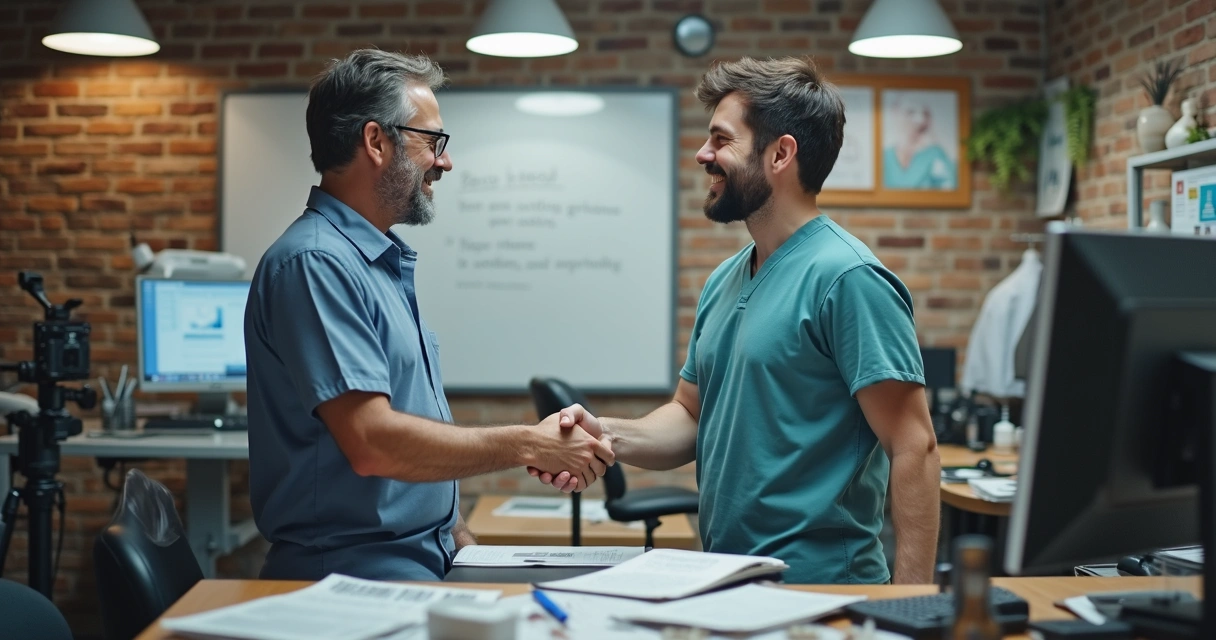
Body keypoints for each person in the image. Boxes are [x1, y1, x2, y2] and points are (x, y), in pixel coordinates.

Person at [534, 57, 941, 584]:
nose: (704, 154)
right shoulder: (725, 279)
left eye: (721, 140)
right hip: (727, 580)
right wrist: (602, 435)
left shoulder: (848, 278)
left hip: (820, 590)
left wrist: (910, 606)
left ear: (780, 153)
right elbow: (690, 417)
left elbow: (915, 447)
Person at [244, 50, 613, 582]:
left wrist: (458, 535)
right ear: (376, 141)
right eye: (431, 141)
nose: (444, 162)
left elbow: (406, 434)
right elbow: (373, 442)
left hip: (422, 557)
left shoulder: (373, 262)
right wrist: (528, 443)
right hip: (355, 575)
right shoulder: (316, 263)